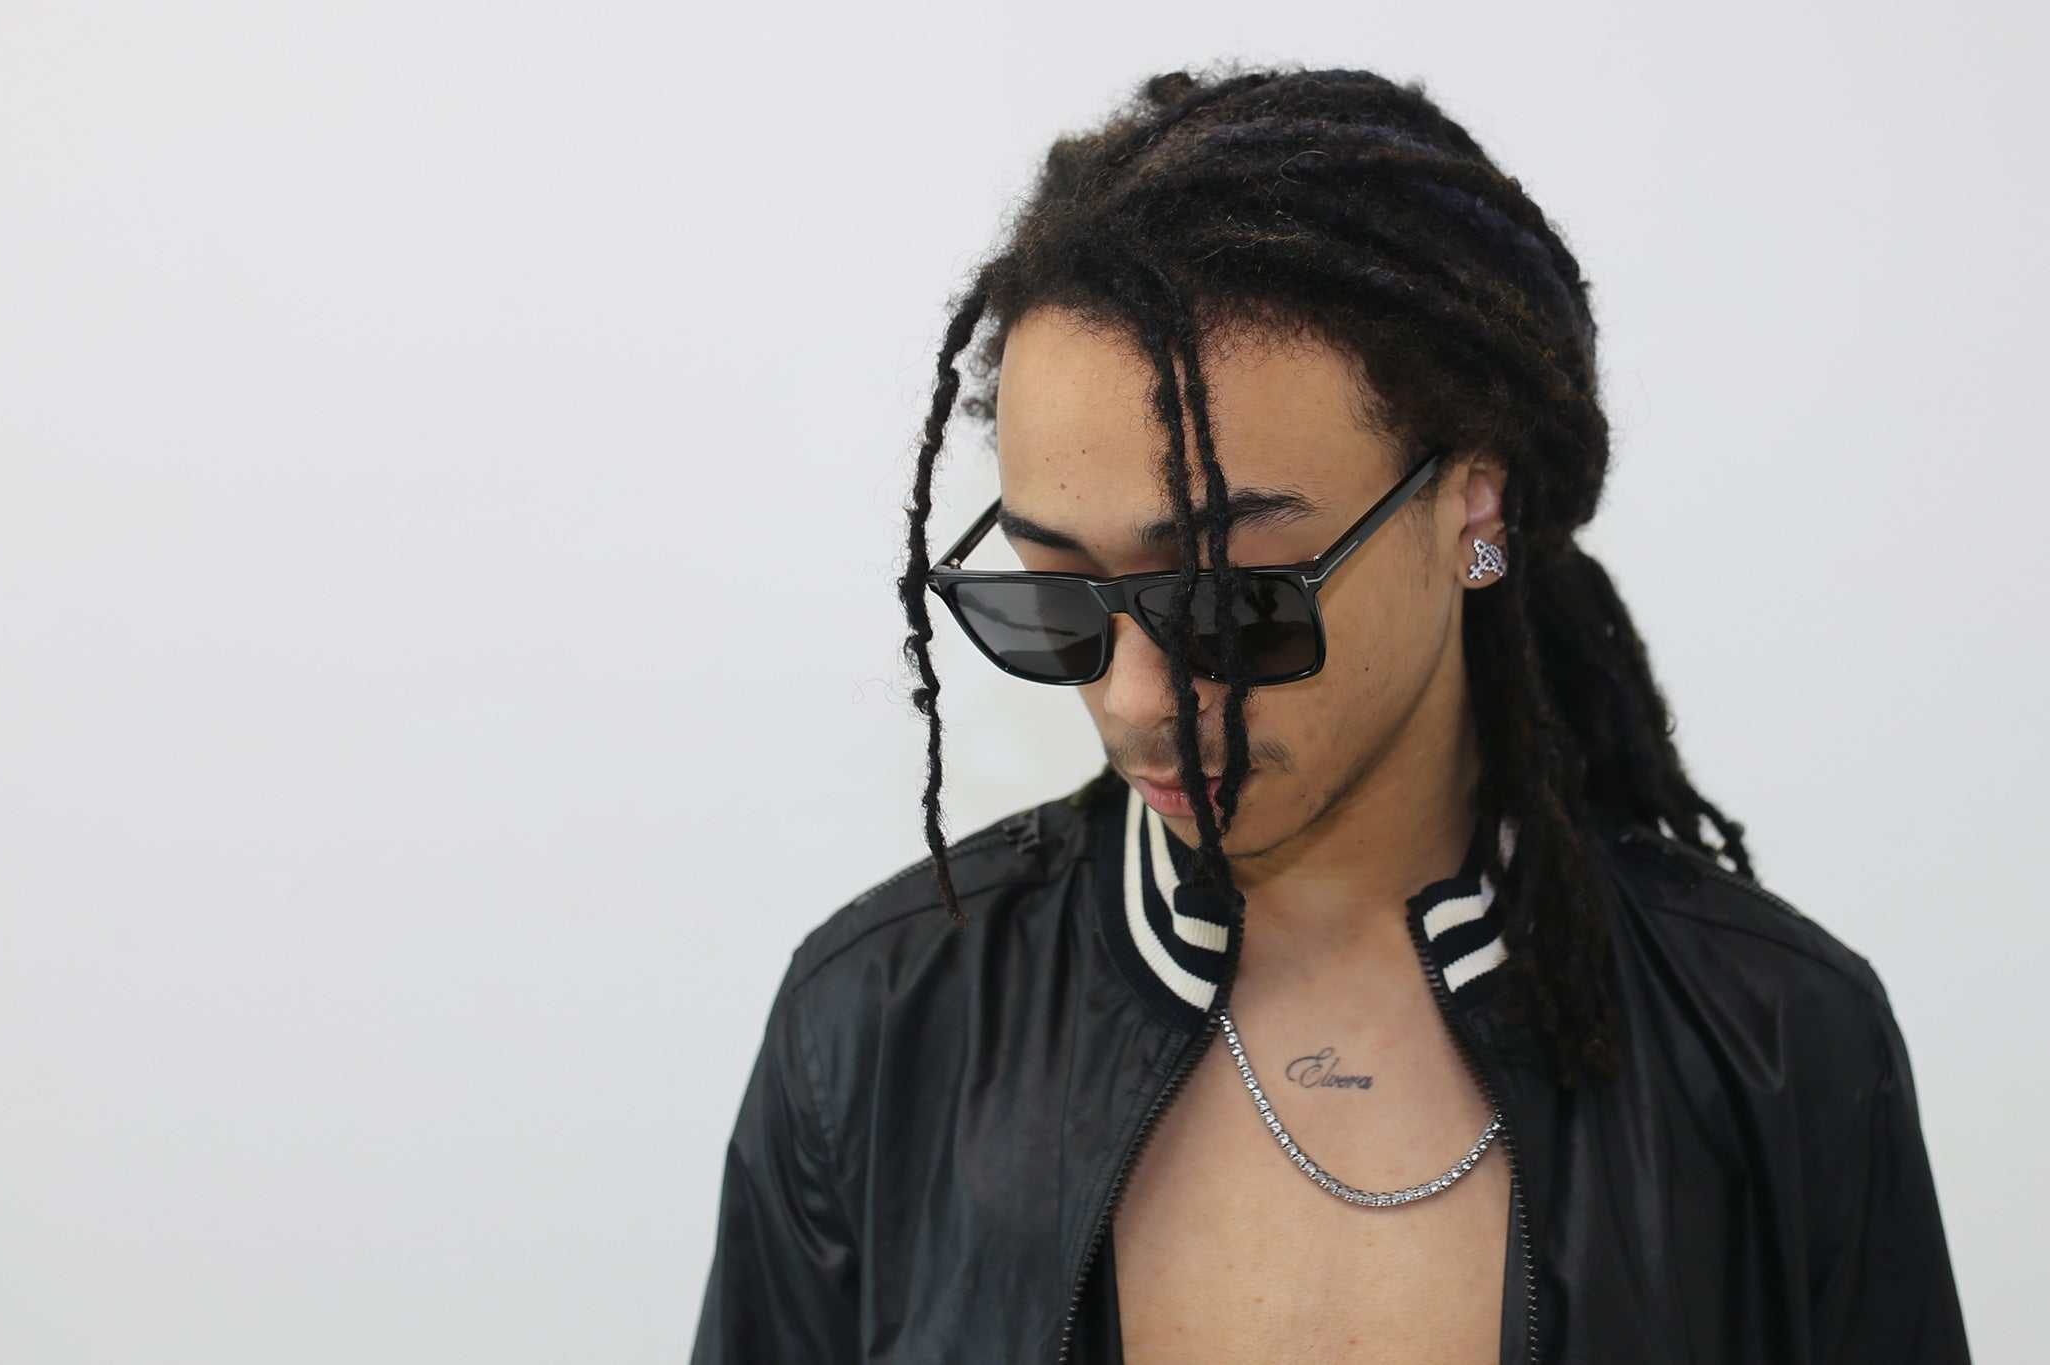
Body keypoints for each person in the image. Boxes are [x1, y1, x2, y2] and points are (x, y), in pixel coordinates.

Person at [690, 62, 1969, 1364]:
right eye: (1055, 596)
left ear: (1472, 507)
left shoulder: (1773, 1047)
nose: (1133, 701)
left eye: (1231, 602)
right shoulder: (877, 1031)